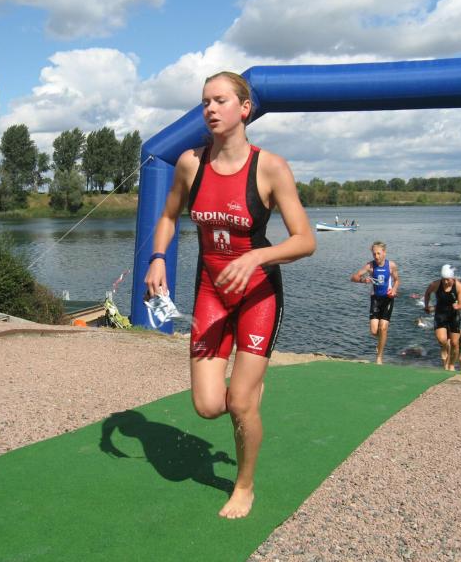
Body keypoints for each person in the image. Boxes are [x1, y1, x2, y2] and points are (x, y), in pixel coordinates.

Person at [144, 71, 315, 519]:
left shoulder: (270, 167)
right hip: (211, 293)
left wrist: (256, 257)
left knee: (239, 402)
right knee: (207, 406)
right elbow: (168, 216)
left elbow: (305, 240)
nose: (210, 109)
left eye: (220, 100)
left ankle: (244, 485)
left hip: (258, 296)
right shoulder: (190, 164)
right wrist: (158, 258)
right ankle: (248, 393)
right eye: (205, 102)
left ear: (245, 108)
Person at [350, 241, 400, 364]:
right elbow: (353, 277)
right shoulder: (370, 266)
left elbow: (397, 280)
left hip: (388, 298)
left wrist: (394, 290)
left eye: (378, 253)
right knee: (374, 331)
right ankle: (382, 340)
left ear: (384, 253)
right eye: (374, 254)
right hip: (376, 300)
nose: (376, 256)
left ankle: (379, 357)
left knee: (383, 327)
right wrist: (363, 280)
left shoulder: (391, 265)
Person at [423, 264, 461, 371]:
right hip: (440, 314)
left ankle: (451, 365)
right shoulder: (436, 284)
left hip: (454, 315)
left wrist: (458, 306)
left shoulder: (458, 286)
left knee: (455, 343)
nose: (446, 282)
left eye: (448, 280)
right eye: (444, 279)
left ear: (453, 278)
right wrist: (426, 305)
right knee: (442, 340)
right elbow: (427, 293)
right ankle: (446, 351)